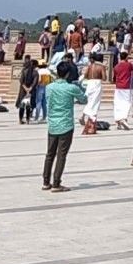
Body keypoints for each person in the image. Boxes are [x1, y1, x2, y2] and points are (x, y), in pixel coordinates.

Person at [42, 60, 87, 193]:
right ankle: (56, 183)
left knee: (50, 154)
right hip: (66, 124)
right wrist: (80, 86)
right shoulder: (71, 88)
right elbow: (84, 99)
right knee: (61, 155)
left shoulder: (49, 87)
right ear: (67, 74)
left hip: (52, 124)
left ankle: (46, 181)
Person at [82, 52, 105, 134]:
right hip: (97, 84)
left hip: (90, 84)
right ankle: (91, 126)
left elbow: (85, 76)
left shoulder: (90, 66)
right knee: (95, 104)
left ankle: (84, 115)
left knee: (90, 102)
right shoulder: (101, 67)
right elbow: (104, 78)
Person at [113, 51, 133, 128]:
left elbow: (114, 77)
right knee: (127, 103)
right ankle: (123, 118)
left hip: (118, 87)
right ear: (126, 57)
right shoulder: (129, 65)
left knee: (118, 103)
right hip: (126, 86)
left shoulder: (116, 66)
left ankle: (117, 120)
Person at [18, 55, 39, 125]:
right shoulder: (35, 72)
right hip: (30, 91)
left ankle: (20, 120)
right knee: (28, 106)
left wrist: (25, 89)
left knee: (22, 106)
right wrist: (29, 89)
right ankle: (27, 120)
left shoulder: (24, 71)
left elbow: (21, 81)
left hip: (23, 91)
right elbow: (35, 82)